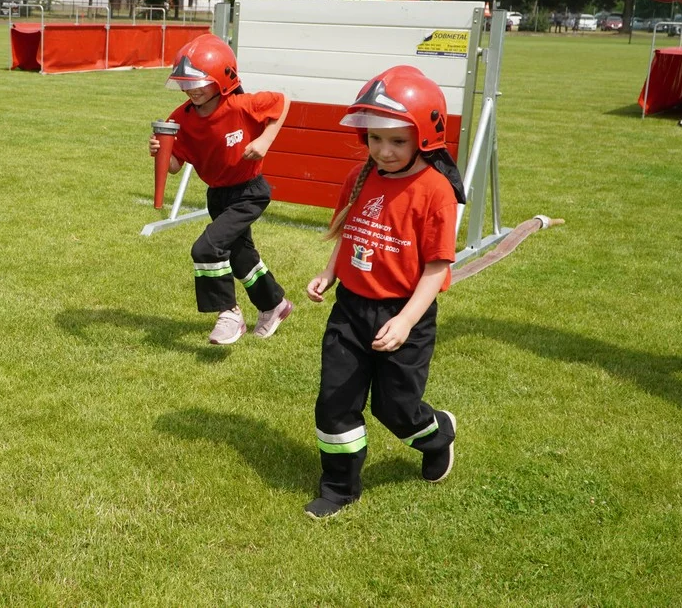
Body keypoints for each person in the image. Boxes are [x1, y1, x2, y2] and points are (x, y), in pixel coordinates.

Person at [302, 65, 467, 519]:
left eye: (397, 140)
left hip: (403, 315)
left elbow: (436, 270)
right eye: (375, 139)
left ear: (425, 137)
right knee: (335, 402)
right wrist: (328, 274)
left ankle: (437, 434)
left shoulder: (435, 192)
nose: (384, 151)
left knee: (397, 410)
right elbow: (350, 231)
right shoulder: (359, 177)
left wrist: (406, 321)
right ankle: (338, 489)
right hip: (350, 312)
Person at [148, 34, 293, 345]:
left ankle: (229, 314)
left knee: (206, 248)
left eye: (200, 82)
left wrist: (264, 141)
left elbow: (282, 103)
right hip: (217, 195)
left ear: (224, 78)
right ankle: (274, 305)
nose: (192, 89)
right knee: (241, 257)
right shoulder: (181, 119)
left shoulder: (242, 105)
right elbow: (174, 166)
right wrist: (162, 151)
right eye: (185, 82)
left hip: (249, 192)